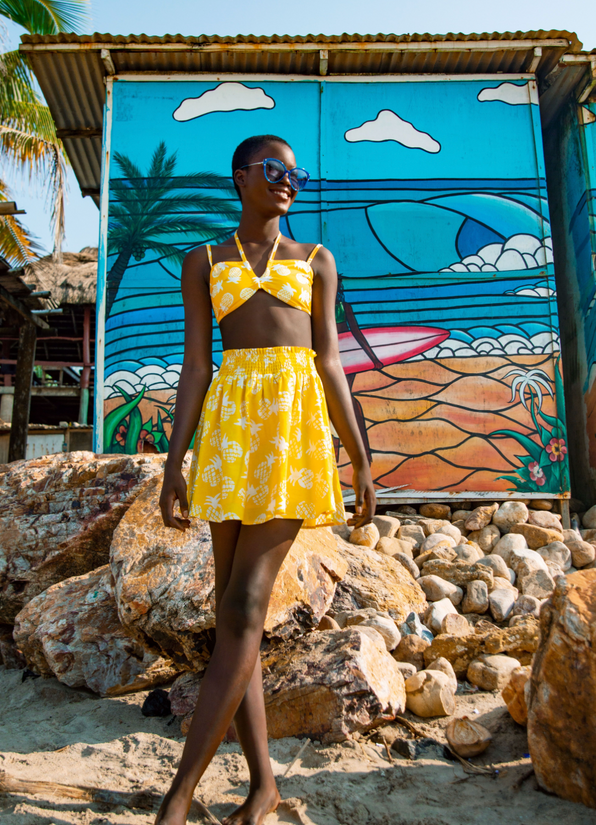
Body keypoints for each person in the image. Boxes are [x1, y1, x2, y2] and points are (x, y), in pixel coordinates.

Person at [157, 134, 376, 825]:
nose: (289, 182)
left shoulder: (316, 261)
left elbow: (331, 364)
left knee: (245, 606)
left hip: (291, 439)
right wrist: (174, 461)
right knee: (232, 618)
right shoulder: (203, 261)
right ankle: (264, 785)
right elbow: (196, 368)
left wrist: (361, 457)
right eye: (275, 170)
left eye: (296, 174)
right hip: (228, 437)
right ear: (240, 177)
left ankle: (179, 794)